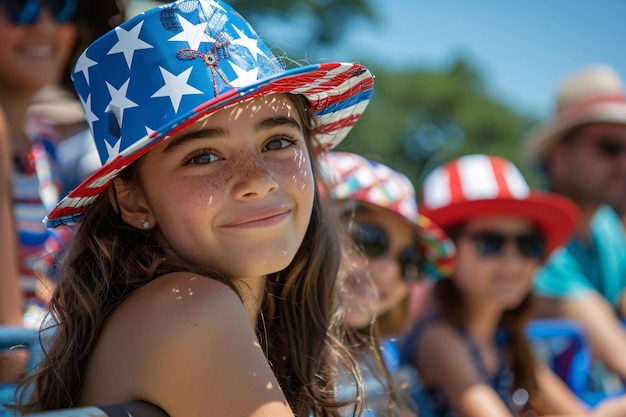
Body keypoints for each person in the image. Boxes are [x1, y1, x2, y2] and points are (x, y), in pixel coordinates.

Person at [15, 0, 375, 416]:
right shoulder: (193, 308)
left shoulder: (172, 309)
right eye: (203, 157)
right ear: (133, 199)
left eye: (278, 142)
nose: (258, 180)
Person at [399, 154, 626, 416]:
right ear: (446, 251)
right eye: (489, 243)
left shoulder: (507, 340)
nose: (512, 259)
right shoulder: (438, 338)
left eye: (527, 244)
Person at [1, 0, 128, 330]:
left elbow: (30, 275)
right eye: (18, 6)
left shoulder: (41, 136)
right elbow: (7, 347)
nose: (45, 27)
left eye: (61, 7)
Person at [320, 151, 455, 417]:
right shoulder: (254, 352)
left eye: (410, 262)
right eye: (370, 240)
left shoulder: (379, 360)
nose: (390, 269)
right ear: (309, 227)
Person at [522, 64, 626, 386]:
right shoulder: (529, 237)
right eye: (609, 147)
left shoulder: (607, 227)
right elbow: (619, 355)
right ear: (558, 155)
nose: (624, 161)